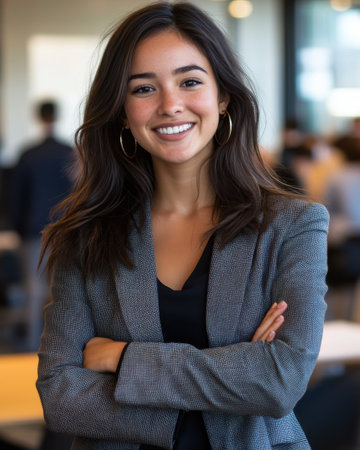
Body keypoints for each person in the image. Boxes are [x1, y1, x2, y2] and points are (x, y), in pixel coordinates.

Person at [36, 3, 329, 449]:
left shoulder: (292, 227)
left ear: (223, 96)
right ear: (120, 110)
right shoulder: (87, 234)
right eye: (143, 89)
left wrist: (122, 358)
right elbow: (60, 395)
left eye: (190, 82)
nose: (170, 105)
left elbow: (279, 383)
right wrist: (231, 376)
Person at [10, 100, 74, 350]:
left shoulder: (28, 154)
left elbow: (15, 198)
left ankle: (30, 345)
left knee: (32, 288)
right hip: (65, 231)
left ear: (38, 117)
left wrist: (18, 230)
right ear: (57, 116)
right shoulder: (69, 153)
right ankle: (58, 348)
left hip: (33, 230)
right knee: (63, 290)